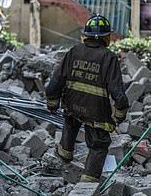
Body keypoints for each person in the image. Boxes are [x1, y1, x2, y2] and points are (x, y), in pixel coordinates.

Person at [45, 14, 129, 182]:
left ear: (86, 35)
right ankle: (88, 181)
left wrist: (52, 102)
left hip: (72, 104)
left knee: (70, 121)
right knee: (99, 144)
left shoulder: (74, 51)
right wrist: (120, 112)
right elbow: (117, 91)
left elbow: (56, 80)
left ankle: (64, 154)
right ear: (106, 37)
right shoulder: (109, 57)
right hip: (96, 111)